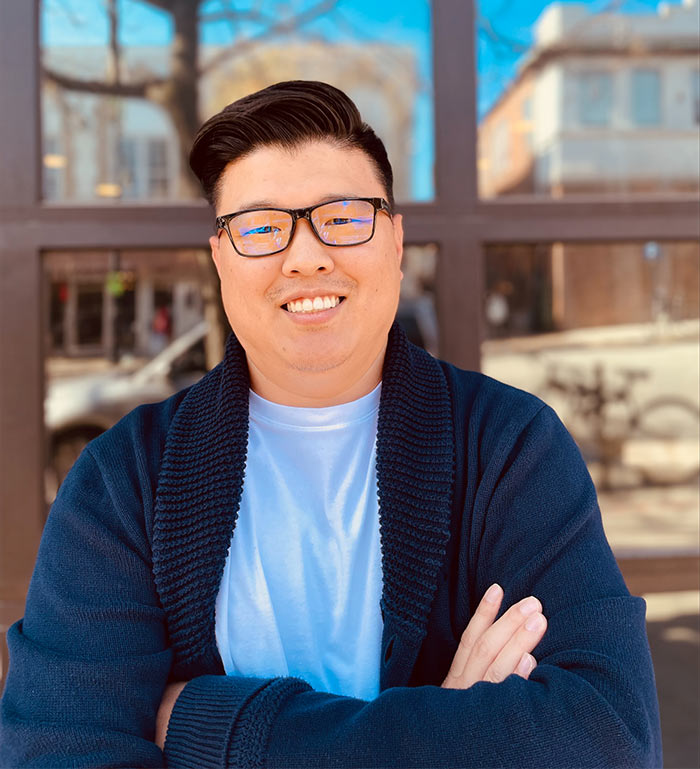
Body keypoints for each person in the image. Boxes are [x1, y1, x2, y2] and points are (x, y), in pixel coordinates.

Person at [0, 81, 661, 768]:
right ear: (222, 258)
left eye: (344, 217)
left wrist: (209, 726)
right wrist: (456, 727)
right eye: (260, 226)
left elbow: (611, 736)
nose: (307, 255)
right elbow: (59, 750)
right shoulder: (124, 481)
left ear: (397, 241)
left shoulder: (507, 447)